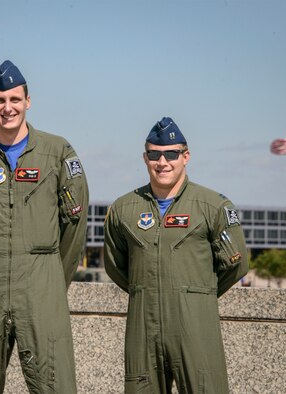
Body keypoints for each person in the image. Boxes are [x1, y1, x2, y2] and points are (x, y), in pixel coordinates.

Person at [0, 60, 89, 393]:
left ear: (28, 101)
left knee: (55, 384)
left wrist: (52, 276)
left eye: (14, 100)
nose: (7, 108)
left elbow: (75, 223)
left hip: (41, 286)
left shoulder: (58, 152)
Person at [104, 117, 248, 393]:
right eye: (155, 155)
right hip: (143, 327)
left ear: (186, 157)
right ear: (145, 158)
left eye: (171, 154)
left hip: (195, 324)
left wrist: (197, 295)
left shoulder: (213, 206)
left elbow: (236, 265)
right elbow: (115, 264)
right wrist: (150, 291)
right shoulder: (123, 209)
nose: (163, 162)